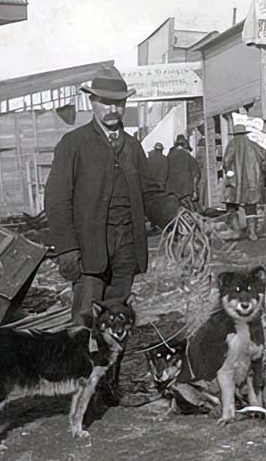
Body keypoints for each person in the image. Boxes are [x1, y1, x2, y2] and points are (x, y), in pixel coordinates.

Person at [45, 66, 182, 334]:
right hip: (88, 249)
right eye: (105, 103)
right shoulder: (73, 144)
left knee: (117, 319)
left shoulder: (132, 146)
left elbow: (149, 193)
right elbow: (57, 200)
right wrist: (68, 249)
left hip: (126, 248)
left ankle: (110, 375)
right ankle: (85, 374)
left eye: (118, 104)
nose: (112, 110)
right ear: (92, 102)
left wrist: (178, 217)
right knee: (84, 321)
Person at [222, 123, 266, 241]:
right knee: (251, 206)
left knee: (231, 204)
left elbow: (226, 161)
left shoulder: (232, 144)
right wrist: (263, 178)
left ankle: (236, 230)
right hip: (253, 181)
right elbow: (264, 162)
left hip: (236, 182)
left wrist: (229, 172)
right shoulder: (255, 145)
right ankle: (252, 233)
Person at [165, 134, 201, 210]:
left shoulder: (168, 157)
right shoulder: (188, 156)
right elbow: (196, 174)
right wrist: (195, 190)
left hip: (172, 191)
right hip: (186, 191)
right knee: (188, 212)